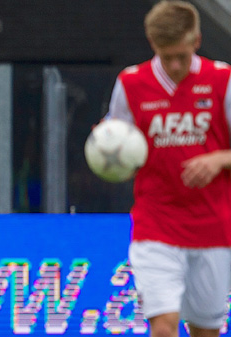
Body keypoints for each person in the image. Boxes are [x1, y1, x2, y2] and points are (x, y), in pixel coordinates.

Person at [104, 2, 231, 337]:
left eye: (182, 56)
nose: (175, 65)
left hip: (212, 227)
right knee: (163, 326)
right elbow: (116, 143)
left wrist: (219, 159)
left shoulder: (222, 79)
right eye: (166, 56)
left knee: (205, 331)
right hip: (155, 224)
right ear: (152, 45)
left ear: (198, 40)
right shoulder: (131, 83)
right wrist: (108, 150)